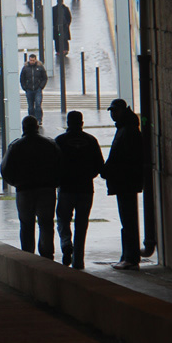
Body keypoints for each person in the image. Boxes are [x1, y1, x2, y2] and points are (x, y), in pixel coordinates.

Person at [0, 115, 62, 259]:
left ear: (23, 128)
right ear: (37, 127)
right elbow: (60, 165)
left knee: (26, 224)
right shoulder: (50, 144)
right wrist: (54, 183)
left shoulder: (16, 146)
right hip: (47, 189)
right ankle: (47, 254)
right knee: (46, 224)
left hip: (24, 190)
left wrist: (16, 183)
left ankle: (28, 255)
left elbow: (5, 168)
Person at [55, 111, 104, 269]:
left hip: (66, 188)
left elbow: (53, 163)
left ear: (68, 123)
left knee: (63, 219)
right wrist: (87, 175)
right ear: (81, 123)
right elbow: (99, 165)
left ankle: (65, 243)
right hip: (85, 188)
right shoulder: (90, 140)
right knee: (82, 224)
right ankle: (78, 260)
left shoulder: (60, 141)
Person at [101, 98, 144, 270]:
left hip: (126, 182)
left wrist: (109, 170)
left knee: (128, 220)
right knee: (127, 219)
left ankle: (130, 257)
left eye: (114, 111)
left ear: (121, 111)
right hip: (125, 182)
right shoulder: (125, 129)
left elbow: (123, 158)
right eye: (111, 111)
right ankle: (127, 255)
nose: (112, 114)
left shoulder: (128, 131)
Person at [19, 53, 48, 125]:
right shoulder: (25, 68)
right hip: (29, 89)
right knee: (30, 106)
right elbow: (22, 78)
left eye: (33, 60)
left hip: (37, 89)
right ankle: (31, 119)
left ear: (35, 60)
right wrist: (24, 87)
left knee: (38, 104)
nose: (32, 62)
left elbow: (44, 78)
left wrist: (41, 86)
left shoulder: (40, 67)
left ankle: (39, 119)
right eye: (31, 60)